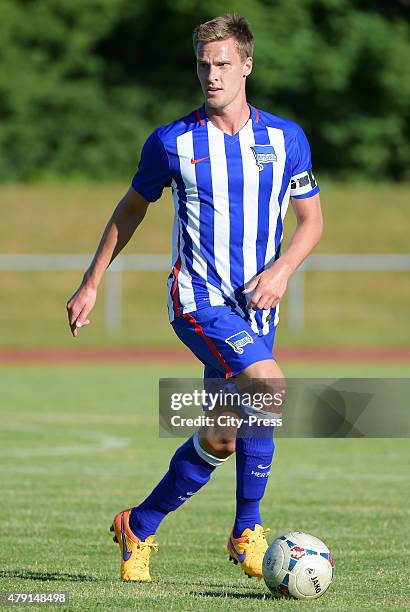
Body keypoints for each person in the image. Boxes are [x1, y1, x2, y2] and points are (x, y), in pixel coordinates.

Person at [66, 13, 323, 583]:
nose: (212, 75)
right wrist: (92, 281)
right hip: (197, 300)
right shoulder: (172, 142)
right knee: (270, 385)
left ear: (247, 65)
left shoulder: (286, 139)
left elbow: (311, 221)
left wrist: (282, 269)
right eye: (204, 65)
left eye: (223, 64)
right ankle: (246, 531)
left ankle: (140, 523)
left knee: (224, 434)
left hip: (259, 307)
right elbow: (131, 208)